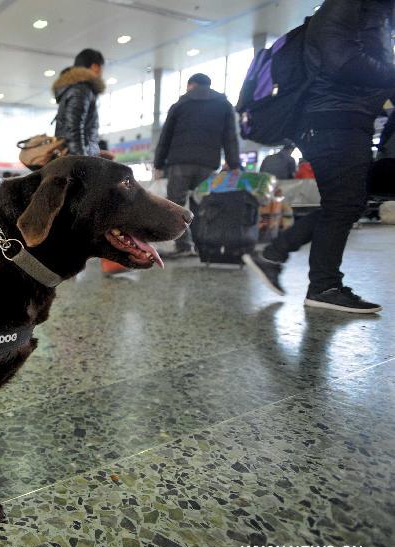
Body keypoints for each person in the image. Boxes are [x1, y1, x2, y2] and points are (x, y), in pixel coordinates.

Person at [243, 0, 393, 314]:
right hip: (331, 117)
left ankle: (278, 256)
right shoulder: (347, 5)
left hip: (344, 117)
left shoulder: (373, 12)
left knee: (346, 200)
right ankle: (322, 284)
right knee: (345, 201)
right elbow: (341, 61)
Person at [154, 72, 241, 257]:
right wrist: (234, 164)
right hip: (208, 165)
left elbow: (165, 137)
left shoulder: (180, 104)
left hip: (179, 163)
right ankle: (202, 245)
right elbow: (231, 137)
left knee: (175, 204)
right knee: (202, 205)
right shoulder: (223, 105)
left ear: (191, 85)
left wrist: (158, 164)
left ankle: (184, 246)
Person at [53, 49, 113, 159]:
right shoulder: (81, 90)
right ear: (95, 67)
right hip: (77, 163)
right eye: (102, 68)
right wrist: (83, 163)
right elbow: (74, 130)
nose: (102, 73)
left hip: (72, 159)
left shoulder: (75, 88)